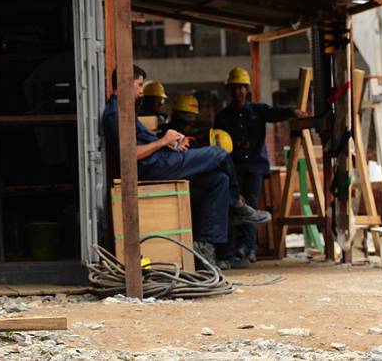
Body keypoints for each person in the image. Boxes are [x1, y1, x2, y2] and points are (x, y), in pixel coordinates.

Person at [102, 66, 271, 268]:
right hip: (155, 166)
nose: (141, 91)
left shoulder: (124, 110)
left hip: (161, 160)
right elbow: (129, 155)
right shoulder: (115, 114)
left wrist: (172, 143)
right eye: (138, 85)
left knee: (219, 180)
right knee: (219, 153)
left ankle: (204, 249)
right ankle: (237, 205)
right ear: (124, 82)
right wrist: (163, 141)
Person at [213, 67, 306, 265]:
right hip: (233, 168)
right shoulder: (222, 117)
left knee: (251, 207)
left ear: (247, 89)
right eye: (235, 87)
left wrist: (293, 112)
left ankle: (248, 248)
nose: (238, 91)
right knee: (232, 207)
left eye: (241, 87)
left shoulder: (258, 110)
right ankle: (230, 252)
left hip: (254, 167)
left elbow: (275, 113)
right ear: (230, 90)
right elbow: (217, 143)